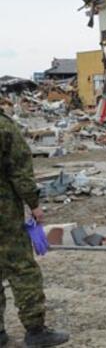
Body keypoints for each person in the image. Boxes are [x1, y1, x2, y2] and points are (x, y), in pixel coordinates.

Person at [0, 111, 69, 347]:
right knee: (22, 269)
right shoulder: (4, 128)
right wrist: (34, 204)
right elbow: (19, 171)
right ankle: (35, 330)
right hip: (4, 214)